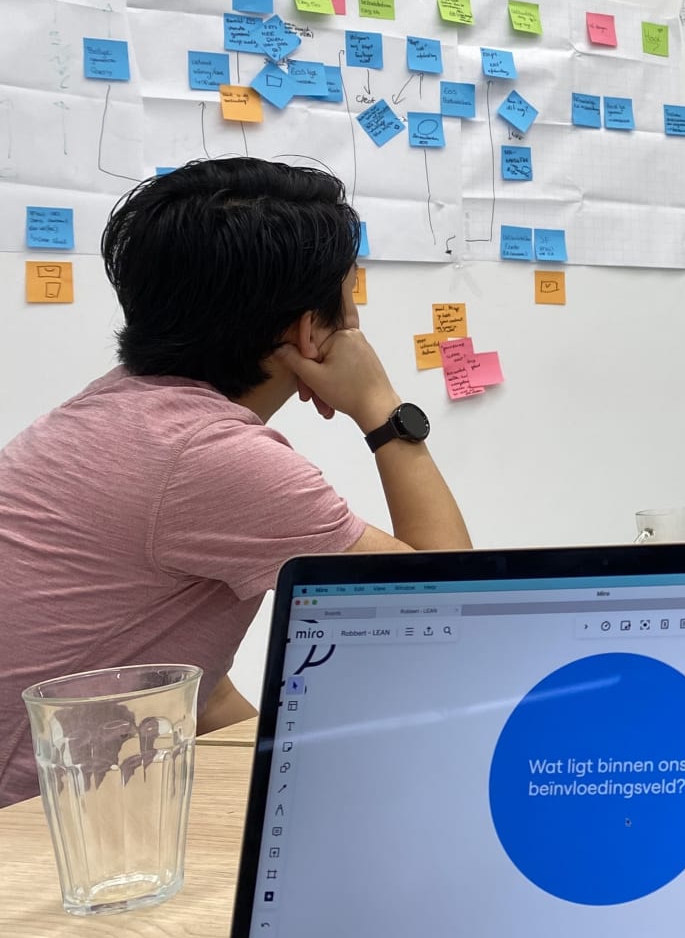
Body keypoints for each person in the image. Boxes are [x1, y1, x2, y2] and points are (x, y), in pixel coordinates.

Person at [0, 159, 471, 807]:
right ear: (310, 328)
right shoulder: (207, 456)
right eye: (349, 291)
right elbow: (450, 606)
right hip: (38, 839)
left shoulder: (109, 413)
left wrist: (295, 775)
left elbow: (190, 679)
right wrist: (382, 407)